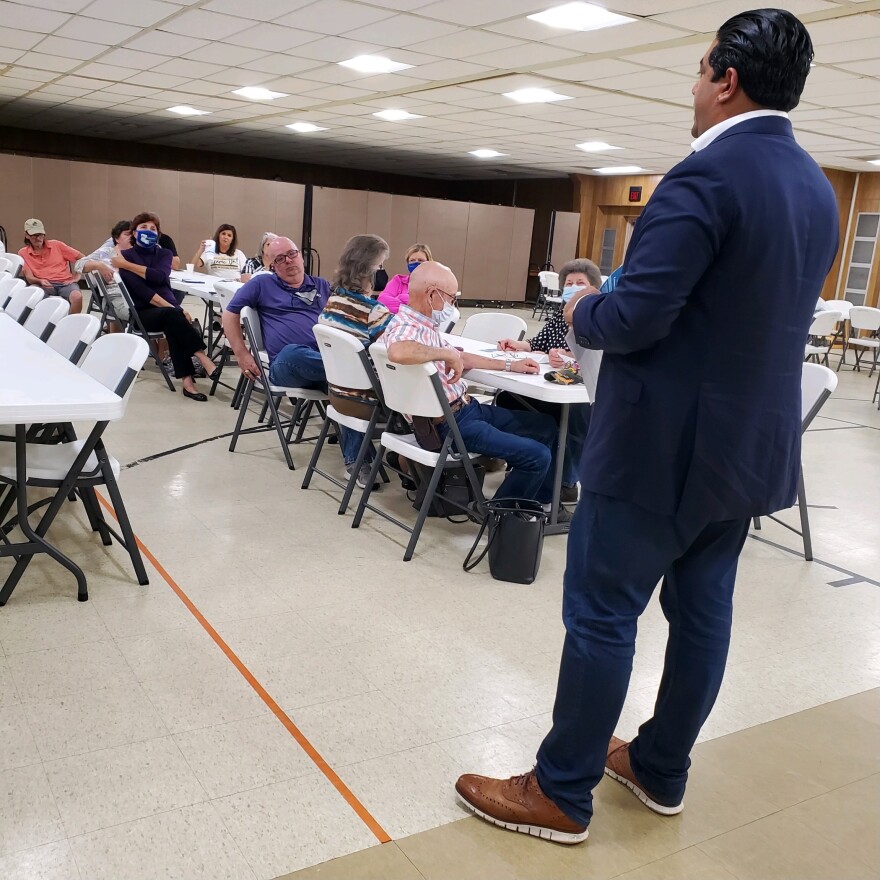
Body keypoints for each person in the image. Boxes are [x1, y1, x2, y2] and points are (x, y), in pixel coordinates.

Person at [455, 8, 839, 844]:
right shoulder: (816, 187)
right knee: (705, 612)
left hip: (660, 451)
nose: (693, 88)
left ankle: (560, 791)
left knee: (602, 613)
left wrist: (584, 306)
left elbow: (636, 318)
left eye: (699, 71)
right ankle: (661, 766)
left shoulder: (704, 177)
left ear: (726, 80)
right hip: (745, 453)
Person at [383, 262, 568, 518]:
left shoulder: (420, 325)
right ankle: (499, 517)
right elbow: (398, 351)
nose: (453, 305)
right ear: (431, 294)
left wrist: (509, 364)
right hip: (450, 425)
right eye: (451, 298)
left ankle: (534, 499)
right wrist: (445, 353)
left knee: (546, 426)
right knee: (538, 456)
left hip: (464, 410)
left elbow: (463, 358)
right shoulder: (407, 328)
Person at [497, 258, 601, 503]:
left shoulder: (597, 318)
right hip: (550, 384)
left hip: (585, 393)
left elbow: (598, 359)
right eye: (569, 284)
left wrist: (569, 358)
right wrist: (519, 345)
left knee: (576, 414)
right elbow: (538, 344)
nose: (573, 288)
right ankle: (525, 465)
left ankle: (566, 481)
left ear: (592, 288)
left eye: (580, 283)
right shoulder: (558, 316)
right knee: (509, 398)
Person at [113, 212, 217, 402]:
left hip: (166, 311)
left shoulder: (163, 254)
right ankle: (202, 357)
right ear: (134, 233)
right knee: (174, 316)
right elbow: (144, 294)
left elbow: (161, 279)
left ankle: (188, 383)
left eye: (153, 229)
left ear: (159, 234)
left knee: (173, 322)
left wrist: (128, 265)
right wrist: (177, 309)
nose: (148, 231)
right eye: (143, 227)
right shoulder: (125, 256)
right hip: (143, 313)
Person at [318, 234, 394, 487]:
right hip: (368, 403)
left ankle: (358, 462)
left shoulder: (333, 301)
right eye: (380, 266)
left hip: (337, 395)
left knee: (359, 378)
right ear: (368, 270)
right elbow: (398, 352)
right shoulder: (374, 312)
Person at [74, 220, 133, 326]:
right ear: (116, 238)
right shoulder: (107, 252)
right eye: (127, 234)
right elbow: (79, 264)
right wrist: (99, 265)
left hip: (138, 296)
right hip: (117, 298)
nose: (131, 237)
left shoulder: (140, 254)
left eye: (134, 234)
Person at [18, 219, 84, 313]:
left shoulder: (56, 245)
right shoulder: (23, 252)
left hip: (65, 282)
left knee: (77, 297)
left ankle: (71, 322)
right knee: (31, 294)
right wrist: (40, 280)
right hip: (42, 284)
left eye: (41, 234)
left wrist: (77, 276)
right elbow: (29, 278)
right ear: (27, 235)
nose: (38, 238)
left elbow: (82, 258)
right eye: (34, 235)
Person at [377, 243, 431, 314]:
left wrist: (401, 297)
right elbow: (382, 301)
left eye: (420, 260)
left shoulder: (434, 284)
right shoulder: (398, 280)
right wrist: (413, 306)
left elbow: (430, 310)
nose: (416, 263)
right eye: (412, 260)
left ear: (428, 262)